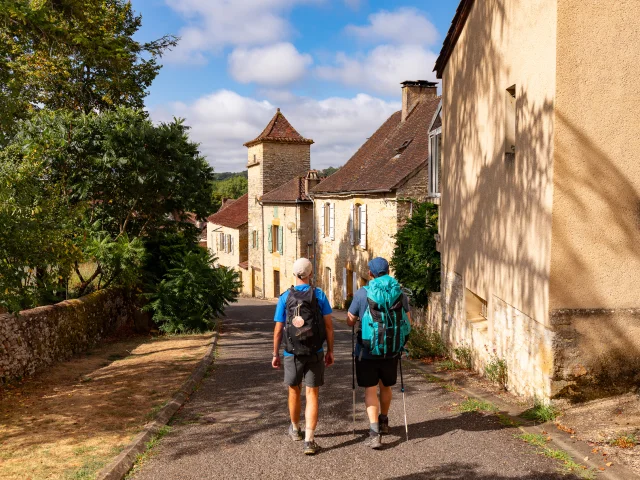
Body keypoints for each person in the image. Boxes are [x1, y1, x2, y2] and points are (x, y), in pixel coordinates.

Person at [347, 257, 411, 449]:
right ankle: (384, 421)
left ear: (370, 274)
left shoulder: (362, 293)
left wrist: (355, 319)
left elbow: (350, 320)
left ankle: (374, 433)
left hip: (367, 351)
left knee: (370, 390)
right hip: (391, 350)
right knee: (386, 387)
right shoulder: (400, 294)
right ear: (388, 271)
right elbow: (408, 322)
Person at [272, 258, 334, 455]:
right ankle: (309, 439)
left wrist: (275, 354)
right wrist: (330, 350)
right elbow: (329, 327)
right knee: (312, 393)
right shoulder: (319, 295)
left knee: (293, 391)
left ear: (294, 274)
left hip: (292, 352)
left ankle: (296, 429)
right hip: (315, 351)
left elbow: (278, 329)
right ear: (311, 274)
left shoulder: (285, 297)